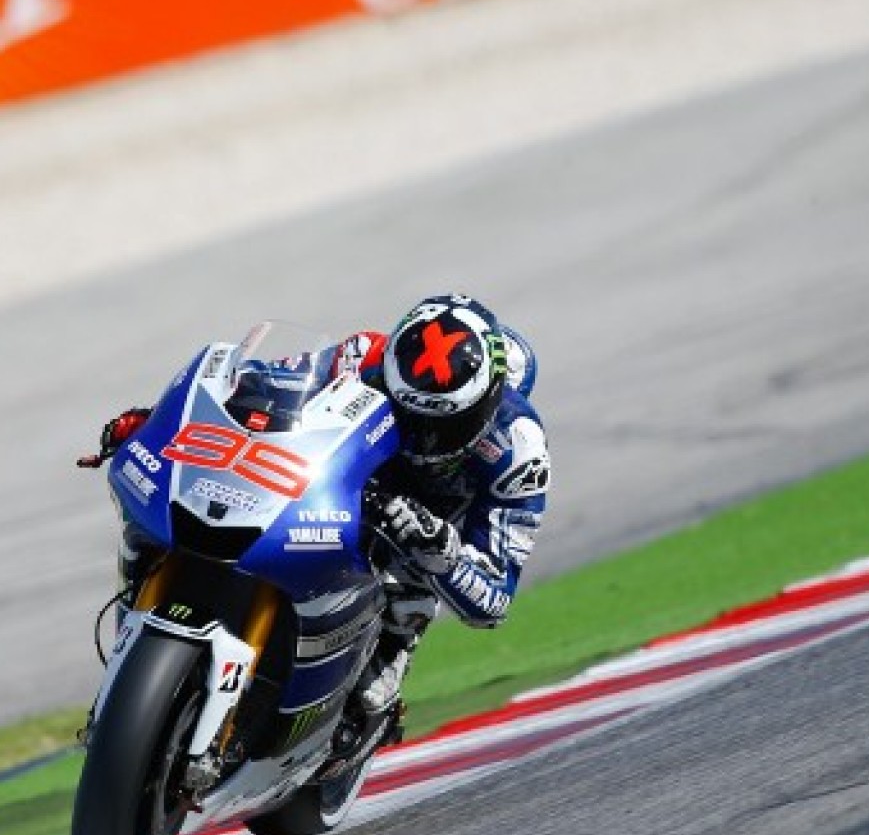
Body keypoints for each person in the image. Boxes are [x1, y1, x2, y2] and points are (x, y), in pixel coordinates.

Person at [97, 294, 551, 755]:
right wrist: (158, 422)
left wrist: (439, 548)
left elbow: (494, 599)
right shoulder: (359, 357)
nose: (423, 436)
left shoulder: (518, 449)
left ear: (488, 401)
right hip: (329, 484)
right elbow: (260, 386)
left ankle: (387, 660)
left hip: (420, 530)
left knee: (389, 641)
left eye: (441, 423)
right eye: (408, 412)